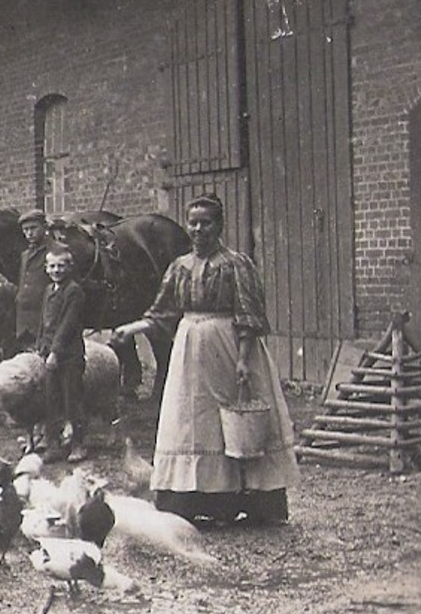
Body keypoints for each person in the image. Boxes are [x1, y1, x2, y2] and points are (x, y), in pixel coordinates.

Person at [112, 195, 300, 526]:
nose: (198, 229)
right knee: (190, 422)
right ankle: (191, 503)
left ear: (219, 226)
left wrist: (244, 359)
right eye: (193, 223)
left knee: (230, 422)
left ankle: (245, 502)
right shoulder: (179, 266)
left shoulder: (235, 264)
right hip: (188, 350)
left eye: (206, 223)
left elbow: (248, 315)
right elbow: (162, 311)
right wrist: (131, 329)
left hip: (227, 347)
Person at [34, 246, 89, 462]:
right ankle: (54, 444)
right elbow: (43, 321)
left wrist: (56, 352)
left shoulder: (74, 291)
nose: (57, 270)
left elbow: (67, 325)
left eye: (61, 266)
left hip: (69, 355)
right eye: (53, 266)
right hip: (49, 354)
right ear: (47, 268)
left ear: (69, 267)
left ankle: (78, 443)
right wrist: (40, 344)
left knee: (71, 399)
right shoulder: (49, 290)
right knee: (51, 399)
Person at [12, 209, 52, 354]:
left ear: (44, 227)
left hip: (45, 324)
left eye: (33, 228)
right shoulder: (25, 255)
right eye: (25, 230)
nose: (29, 233)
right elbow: (24, 286)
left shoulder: (56, 252)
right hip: (25, 326)